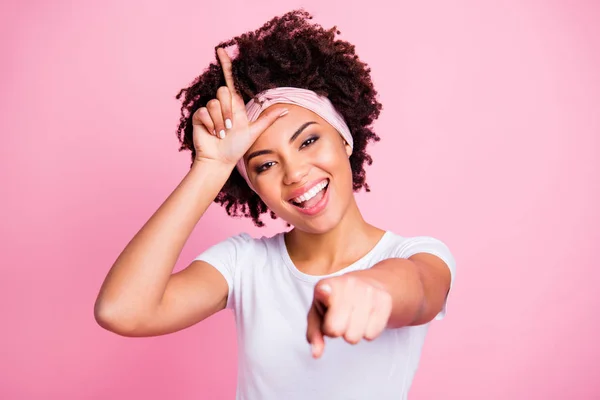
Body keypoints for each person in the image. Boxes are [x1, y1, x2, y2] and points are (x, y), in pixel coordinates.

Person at [94, 9, 456, 400]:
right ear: (253, 186)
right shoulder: (244, 265)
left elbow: (417, 290)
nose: (295, 173)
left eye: (308, 141)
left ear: (345, 139)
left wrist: (368, 287)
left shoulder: (416, 254)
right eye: (265, 164)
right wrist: (211, 166)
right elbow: (121, 310)